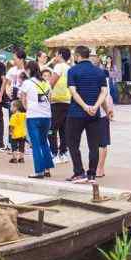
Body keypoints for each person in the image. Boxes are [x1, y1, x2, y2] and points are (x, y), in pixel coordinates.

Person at [66, 46, 109, 184]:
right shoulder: (99, 72)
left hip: (76, 113)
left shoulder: (72, 71)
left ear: (78, 56)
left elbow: (73, 91)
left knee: (72, 143)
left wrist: (84, 106)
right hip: (94, 114)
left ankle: (79, 172)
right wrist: (95, 106)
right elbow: (104, 92)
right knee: (94, 145)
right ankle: (91, 174)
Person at [20, 63, 54, 178]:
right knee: (44, 142)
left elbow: (23, 99)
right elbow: (50, 98)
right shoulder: (46, 82)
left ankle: (39, 171)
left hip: (33, 116)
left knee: (35, 144)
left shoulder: (27, 83)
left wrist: (28, 109)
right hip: (46, 116)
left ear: (29, 70)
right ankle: (47, 168)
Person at [49, 47, 72, 164]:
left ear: (60, 55)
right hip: (67, 100)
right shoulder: (69, 68)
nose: (55, 57)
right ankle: (63, 152)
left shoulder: (59, 66)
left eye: (56, 54)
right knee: (63, 129)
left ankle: (54, 153)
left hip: (57, 100)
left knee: (51, 129)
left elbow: (51, 83)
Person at [95, 54, 116, 179]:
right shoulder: (103, 80)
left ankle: (99, 167)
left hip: (99, 114)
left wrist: (108, 110)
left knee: (101, 142)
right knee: (100, 142)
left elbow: (106, 98)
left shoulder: (103, 81)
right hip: (97, 113)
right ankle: (98, 168)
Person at [2, 49, 26, 151]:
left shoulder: (26, 70)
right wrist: (7, 91)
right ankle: (11, 144)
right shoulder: (12, 70)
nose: (13, 60)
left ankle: (22, 146)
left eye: (15, 58)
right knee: (12, 121)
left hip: (24, 98)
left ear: (21, 59)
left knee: (22, 122)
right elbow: (6, 82)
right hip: (13, 99)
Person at [8, 100, 27, 165]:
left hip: (15, 135)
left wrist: (10, 132)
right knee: (22, 146)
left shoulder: (13, 116)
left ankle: (14, 158)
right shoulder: (24, 115)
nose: (10, 108)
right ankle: (21, 158)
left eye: (11, 107)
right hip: (23, 134)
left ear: (15, 107)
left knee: (14, 146)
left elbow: (12, 126)